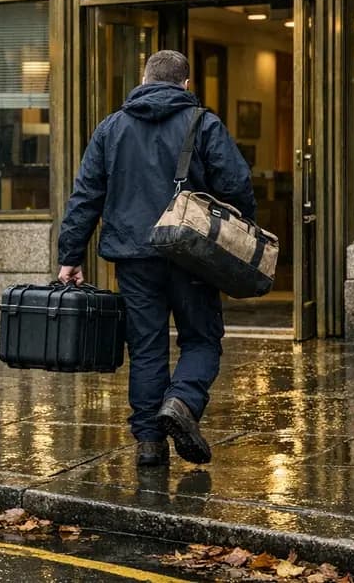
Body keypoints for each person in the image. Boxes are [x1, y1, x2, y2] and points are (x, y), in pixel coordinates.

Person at [56, 50, 257, 467]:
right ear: (186, 84)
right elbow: (237, 185)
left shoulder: (111, 128)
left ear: (143, 80)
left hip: (133, 258)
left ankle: (149, 444)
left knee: (146, 349)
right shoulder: (203, 123)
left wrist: (70, 256)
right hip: (193, 256)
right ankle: (181, 401)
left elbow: (85, 198)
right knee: (201, 339)